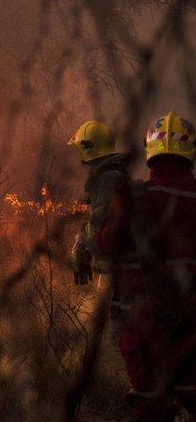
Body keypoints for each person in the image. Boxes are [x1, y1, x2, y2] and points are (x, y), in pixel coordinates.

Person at [97, 111, 196, 421]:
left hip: (146, 328)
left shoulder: (132, 198)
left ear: (150, 150)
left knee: (151, 409)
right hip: (194, 328)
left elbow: (105, 247)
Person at [67, 120, 132, 293]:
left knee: (114, 315)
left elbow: (100, 220)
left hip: (116, 269)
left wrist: (81, 244)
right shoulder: (111, 175)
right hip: (117, 264)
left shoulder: (108, 178)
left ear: (88, 148)